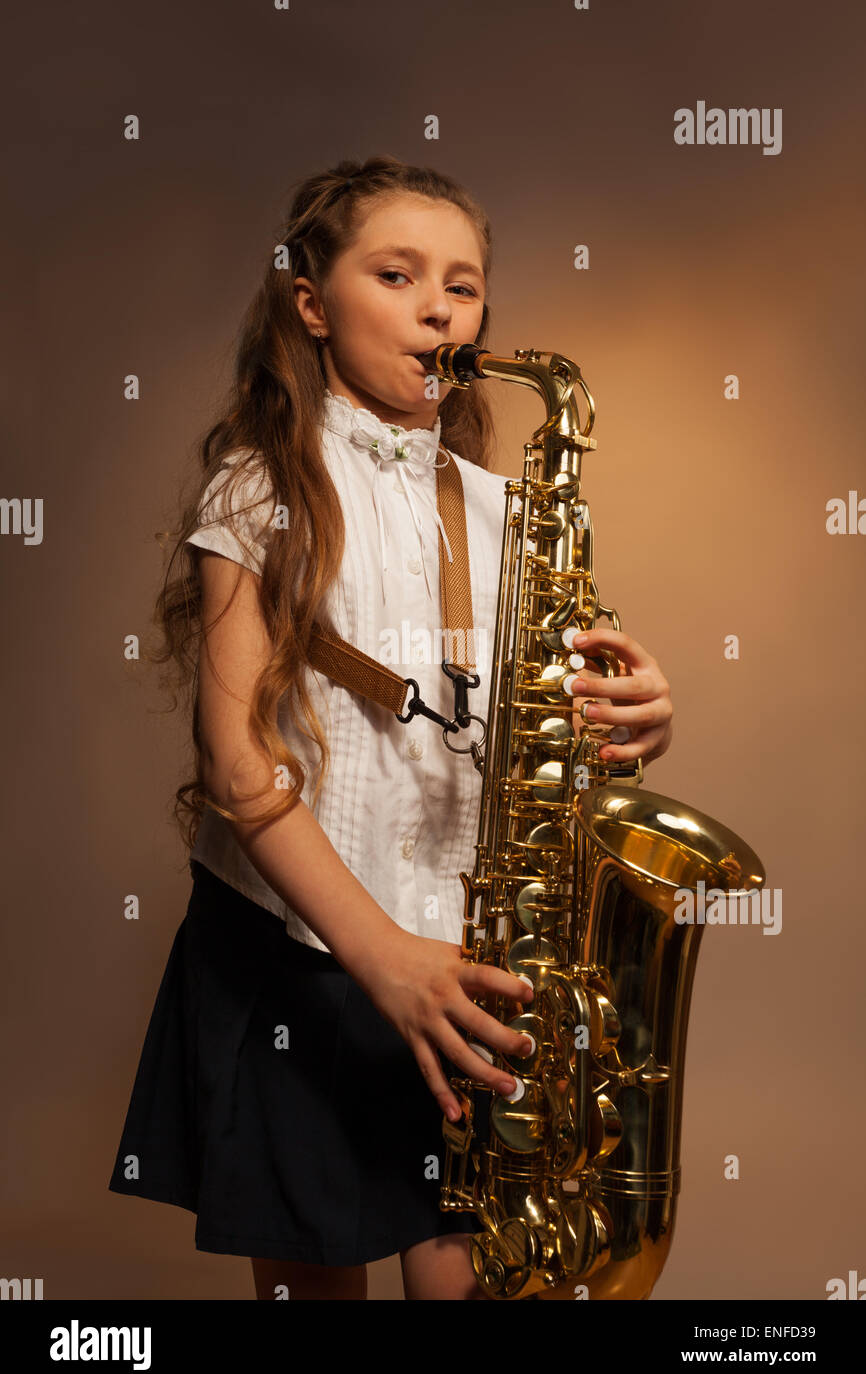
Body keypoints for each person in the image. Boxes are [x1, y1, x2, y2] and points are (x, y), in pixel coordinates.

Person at [107, 155, 674, 1301]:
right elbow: (236, 762)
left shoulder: (505, 507)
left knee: (471, 1276)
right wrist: (380, 959)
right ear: (310, 304)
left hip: (466, 963)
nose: (438, 308)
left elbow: (551, 729)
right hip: (302, 955)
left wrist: (633, 711)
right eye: (398, 273)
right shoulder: (260, 485)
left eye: (462, 286)